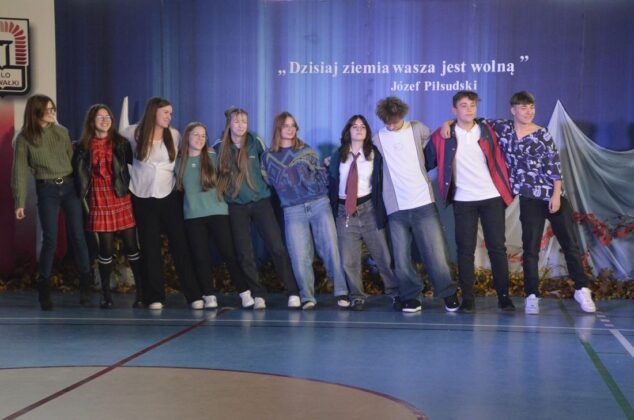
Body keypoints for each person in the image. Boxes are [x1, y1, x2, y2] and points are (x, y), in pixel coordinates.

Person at [483, 91, 596, 314]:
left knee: (570, 245)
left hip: (552, 196)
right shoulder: (503, 129)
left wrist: (556, 195)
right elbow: (475, 121)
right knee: (531, 248)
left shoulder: (542, 134)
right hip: (529, 199)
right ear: (513, 110)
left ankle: (582, 289)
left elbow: (555, 166)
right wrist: (449, 123)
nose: (529, 112)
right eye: (524, 108)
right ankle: (532, 295)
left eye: (532, 107)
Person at [428, 91, 515, 313]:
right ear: (454, 109)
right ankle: (468, 298)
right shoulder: (443, 135)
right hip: (463, 200)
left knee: (497, 248)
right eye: (464, 105)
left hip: (491, 197)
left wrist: (448, 121)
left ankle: (504, 297)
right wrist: (447, 124)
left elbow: (514, 127)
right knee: (465, 251)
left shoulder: (489, 129)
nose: (469, 109)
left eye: (473, 105)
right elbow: (426, 161)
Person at [372, 96, 459, 313]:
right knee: (401, 258)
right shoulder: (377, 139)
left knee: (436, 252)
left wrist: (448, 123)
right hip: (395, 207)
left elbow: (438, 144)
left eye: (395, 121)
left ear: (402, 115)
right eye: (387, 122)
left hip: (423, 201)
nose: (392, 126)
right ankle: (411, 296)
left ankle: (448, 293)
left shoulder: (418, 128)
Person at [11, 94, 92, 310]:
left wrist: (83, 188)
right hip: (47, 189)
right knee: (50, 239)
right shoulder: (24, 139)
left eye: (52, 109)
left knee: (78, 236)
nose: (51, 112)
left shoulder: (62, 132)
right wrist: (20, 202)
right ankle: (44, 291)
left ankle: (86, 286)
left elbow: (73, 161)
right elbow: (19, 171)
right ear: (35, 111)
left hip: (69, 187)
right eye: (47, 109)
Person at [261, 112, 348, 310]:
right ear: (278, 128)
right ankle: (308, 297)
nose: (290, 129)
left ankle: (341, 292)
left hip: (318, 204)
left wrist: (320, 185)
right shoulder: (267, 157)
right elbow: (268, 181)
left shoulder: (305, 150)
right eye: (285, 125)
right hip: (293, 210)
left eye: (293, 125)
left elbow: (321, 174)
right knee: (300, 256)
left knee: (330, 249)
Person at [215, 107, 300, 309]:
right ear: (229, 124)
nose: (241, 125)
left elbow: (270, 164)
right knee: (245, 252)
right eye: (237, 121)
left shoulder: (255, 142)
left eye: (244, 121)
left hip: (261, 202)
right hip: (236, 206)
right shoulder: (218, 148)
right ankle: (258, 293)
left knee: (277, 247)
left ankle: (293, 292)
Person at [122, 97, 202, 310]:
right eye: (166, 112)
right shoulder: (134, 133)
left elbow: (192, 150)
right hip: (142, 198)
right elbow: (113, 137)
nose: (169, 116)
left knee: (180, 246)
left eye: (171, 113)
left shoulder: (174, 135)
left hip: (168, 197)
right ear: (153, 112)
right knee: (150, 248)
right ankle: (155, 296)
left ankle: (193, 295)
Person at [175, 122, 255, 309]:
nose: (200, 139)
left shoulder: (213, 156)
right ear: (187, 137)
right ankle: (209, 295)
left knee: (229, 254)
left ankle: (244, 293)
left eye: (203, 136)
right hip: (193, 217)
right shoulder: (178, 162)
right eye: (196, 135)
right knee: (201, 258)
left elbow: (229, 174)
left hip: (218, 213)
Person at [72, 104, 143, 308]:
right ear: (91, 121)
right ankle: (106, 294)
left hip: (120, 196)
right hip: (99, 198)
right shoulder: (82, 146)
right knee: (106, 249)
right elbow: (79, 174)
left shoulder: (121, 143)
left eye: (108, 117)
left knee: (131, 246)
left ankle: (141, 293)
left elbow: (130, 168)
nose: (105, 120)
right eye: (100, 117)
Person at [327, 115, 399, 310]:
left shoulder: (375, 154)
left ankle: (394, 292)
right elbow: (332, 181)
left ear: (367, 132)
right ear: (348, 131)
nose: (358, 129)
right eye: (354, 126)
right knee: (349, 260)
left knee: (383, 257)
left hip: (368, 210)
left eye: (362, 126)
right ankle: (357, 296)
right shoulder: (338, 155)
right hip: (344, 212)